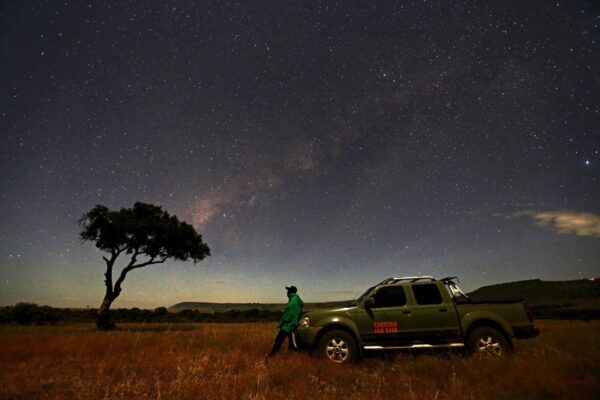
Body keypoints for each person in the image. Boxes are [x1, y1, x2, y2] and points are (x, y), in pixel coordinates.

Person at [267, 285, 304, 357]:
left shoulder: (294, 300)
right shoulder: (295, 299)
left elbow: (289, 313)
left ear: (291, 291)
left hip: (289, 325)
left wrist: (282, 322)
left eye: (288, 290)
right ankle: (272, 355)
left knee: (282, 341)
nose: (287, 292)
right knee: (288, 343)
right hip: (291, 324)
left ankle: (271, 355)